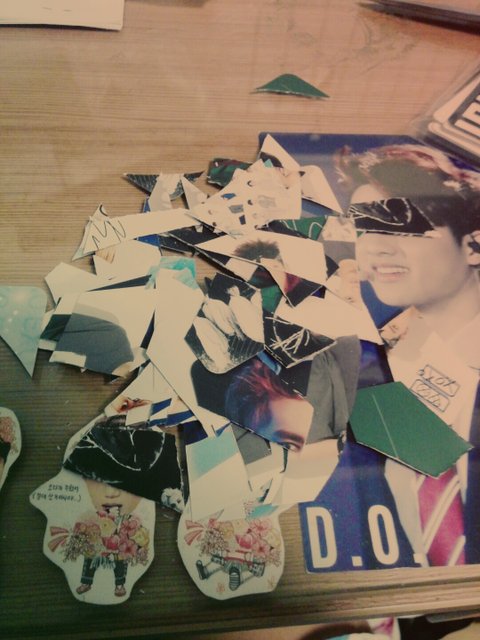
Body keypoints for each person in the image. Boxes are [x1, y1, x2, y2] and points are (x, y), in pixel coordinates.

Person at [334, 143, 480, 566]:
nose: (375, 248)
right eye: (364, 228)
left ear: (473, 245)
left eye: (402, 224)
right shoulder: (371, 372)